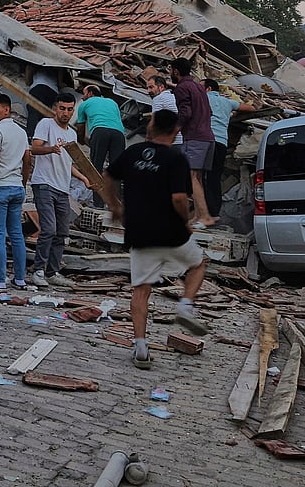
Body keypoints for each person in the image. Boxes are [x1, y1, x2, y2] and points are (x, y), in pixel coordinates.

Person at [103, 109, 209, 369]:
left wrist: (115, 207)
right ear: (176, 131)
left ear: (151, 128)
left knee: (141, 290)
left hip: (140, 232)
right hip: (172, 232)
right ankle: (185, 306)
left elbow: (107, 177)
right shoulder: (177, 158)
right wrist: (185, 219)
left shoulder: (132, 153)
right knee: (197, 266)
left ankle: (141, 348)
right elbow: (179, 198)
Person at [29, 92, 91, 289]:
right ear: (56, 108)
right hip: (44, 184)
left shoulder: (71, 134)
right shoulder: (46, 124)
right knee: (48, 229)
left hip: (62, 188)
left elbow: (67, 163)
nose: (65, 113)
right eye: (62, 108)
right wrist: (51, 149)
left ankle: (52, 272)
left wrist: (82, 177)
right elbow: (34, 148)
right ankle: (38, 271)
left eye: (69, 109)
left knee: (62, 232)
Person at [0, 94, 32, 291]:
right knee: (17, 235)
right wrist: (23, 182)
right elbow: (27, 161)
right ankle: (20, 279)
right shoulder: (21, 132)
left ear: (6, 109)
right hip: (17, 187)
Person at [169, 58, 215, 227]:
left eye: (171, 70)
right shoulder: (199, 87)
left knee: (192, 178)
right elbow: (209, 111)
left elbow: (185, 113)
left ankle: (205, 217)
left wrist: (174, 131)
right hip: (209, 137)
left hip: (195, 138)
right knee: (198, 177)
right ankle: (197, 216)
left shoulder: (182, 88)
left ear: (175, 71)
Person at [203, 79, 256, 220]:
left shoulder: (201, 98)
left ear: (207, 89)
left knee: (200, 177)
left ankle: (203, 212)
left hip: (206, 141)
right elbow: (251, 108)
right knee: (214, 177)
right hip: (221, 142)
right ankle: (215, 212)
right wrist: (230, 114)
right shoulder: (226, 102)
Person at [74, 84, 126, 206]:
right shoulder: (112, 102)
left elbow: (80, 126)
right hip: (119, 134)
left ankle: (98, 203)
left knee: (95, 169)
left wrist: (81, 140)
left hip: (100, 132)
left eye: (84, 93)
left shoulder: (84, 105)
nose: (82, 97)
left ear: (91, 93)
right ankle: (116, 205)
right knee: (117, 170)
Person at [146, 76, 183, 146]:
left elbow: (154, 121)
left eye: (151, 87)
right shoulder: (173, 96)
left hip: (170, 142)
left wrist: (147, 141)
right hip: (181, 140)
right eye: (147, 88)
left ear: (161, 87)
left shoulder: (158, 99)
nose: (148, 91)